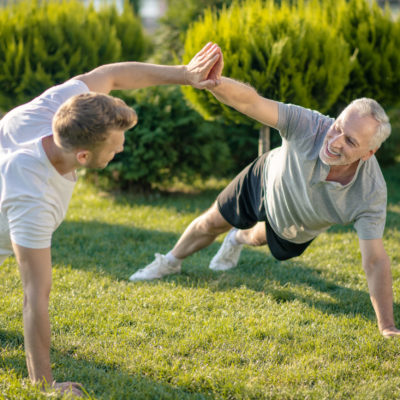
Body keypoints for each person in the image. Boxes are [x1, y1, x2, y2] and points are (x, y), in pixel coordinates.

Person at [129, 48, 400, 339]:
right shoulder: (309, 125)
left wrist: (387, 327)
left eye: (350, 141)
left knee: (255, 237)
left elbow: (374, 260)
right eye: (337, 128)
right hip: (265, 178)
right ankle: (170, 261)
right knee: (211, 222)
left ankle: (236, 239)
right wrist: (216, 82)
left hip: (296, 224)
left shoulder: (370, 193)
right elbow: (252, 102)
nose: (334, 141)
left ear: (369, 152)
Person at [0, 42, 222, 397]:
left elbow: (113, 75)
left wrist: (185, 74)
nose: (121, 149)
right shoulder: (33, 195)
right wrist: (44, 385)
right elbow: (34, 296)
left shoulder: (65, 111)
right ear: (84, 154)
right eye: (115, 146)